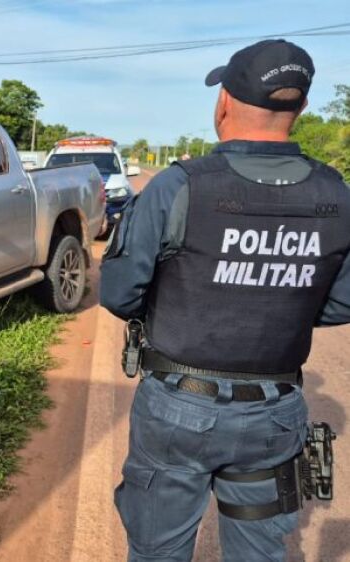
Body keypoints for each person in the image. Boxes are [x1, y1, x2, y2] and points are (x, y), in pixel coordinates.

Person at [100, 39, 350, 562]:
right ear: (300, 108)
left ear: (224, 104)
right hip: (276, 414)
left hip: (177, 406)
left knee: (157, 552)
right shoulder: (336, 194)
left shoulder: (178, 186)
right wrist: (284, 299)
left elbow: (120, 294)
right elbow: (343, 302)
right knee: (259, 554)